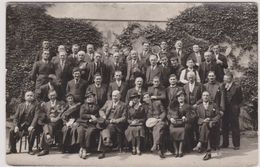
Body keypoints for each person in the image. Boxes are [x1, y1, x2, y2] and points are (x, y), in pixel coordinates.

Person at [97, 90, 127, 159]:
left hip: (116, 124)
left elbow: (124, 117)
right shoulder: (108, 102)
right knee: (102, 128)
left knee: (105, 130)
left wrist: (115, 120)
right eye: (113, 96)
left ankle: (102, 152)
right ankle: (107, 140)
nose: (114, 97)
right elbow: (101, 110)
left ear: (119, 96)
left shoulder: (123, 105)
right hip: (106, 121)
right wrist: (103, 115)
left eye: (116, 96)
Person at [193, 91, 221, 160]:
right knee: (206, 126)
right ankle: (208, 152)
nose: (205, 97)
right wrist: (203, 120)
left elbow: (218, 115)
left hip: (212, 124)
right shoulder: (199, 106)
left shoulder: (214, 105)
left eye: (207, 95)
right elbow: (196, 117)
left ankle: (200, 142)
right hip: (202, 124)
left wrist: (211, 119)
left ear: (209, 97)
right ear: (202, 97)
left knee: (207, 126)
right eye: (204, 95)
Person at [167, 91, 196, 157]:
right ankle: (175, 149)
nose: (180, 98)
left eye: (182, 96)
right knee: (172, 130)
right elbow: (168, 114)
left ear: (184, 97)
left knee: (183, 130)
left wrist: (186, 118)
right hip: (174, 123)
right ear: (177, 98)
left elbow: (192, 115)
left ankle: (180, 150)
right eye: (179, 96)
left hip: (184, 123)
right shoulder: (173, 105)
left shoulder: (188, 106)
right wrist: (170, 118)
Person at [38, 90, 65, 156]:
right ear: (48, 96)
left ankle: (45, 149)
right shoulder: (45, 104)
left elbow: (63, 114)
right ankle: (48, 135)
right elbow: (43, 115)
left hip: (58, 123)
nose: (52, 97)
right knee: (47, 125)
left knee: (47, 127)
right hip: (49, 122)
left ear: (56, 95)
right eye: (51, 95)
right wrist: (50, 119)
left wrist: (56, 119)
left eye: (53, 95)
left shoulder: (61, 103)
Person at [221, 72, 243, 150]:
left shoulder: (237, 87)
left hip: (233, 110)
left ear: (230, 78)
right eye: (224, 78)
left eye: (226, 78)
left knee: (235, 127)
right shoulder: (223, 86)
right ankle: (225, 143)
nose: (225, 79)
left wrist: (236, 107)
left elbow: (240, 99)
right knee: (224, 127)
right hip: (224, 110)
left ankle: (236, 145)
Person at [143, 93, 167, 158]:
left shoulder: (158, 102)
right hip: (151, 122)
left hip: (159, 120)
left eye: (148, 97)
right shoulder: (144, 106)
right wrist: (152, 121)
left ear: (150, 97)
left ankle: (155, 145)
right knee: (157, 128)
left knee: (159, 126)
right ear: (143, 99)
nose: (147, 98)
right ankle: (157, 145)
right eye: (145, 97)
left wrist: (160, 118)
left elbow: (164, 112)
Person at [77, 91, 100, 159]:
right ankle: (82, 148)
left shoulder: (96, 106)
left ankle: (85, 149)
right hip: (83, 123)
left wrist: (94, 119)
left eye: (90, 97)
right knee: (80, 131)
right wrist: (90, 116)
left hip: (92, 124)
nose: (89, 98)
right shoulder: (83, 106)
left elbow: (97, 115)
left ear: (94, 98)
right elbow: (82, 115)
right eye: (87, 97)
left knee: (89, 133)